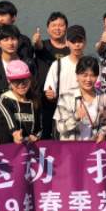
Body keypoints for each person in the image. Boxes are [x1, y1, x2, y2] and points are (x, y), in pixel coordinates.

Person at [54, 56, 106, 211]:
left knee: (89, 193)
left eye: (92, 75)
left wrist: (103, 132)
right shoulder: (67, 96)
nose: (88, 79)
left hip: (92, 155)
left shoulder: (103, 97)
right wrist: (75, 118)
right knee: (66, 194)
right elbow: (60, 127)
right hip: (69, 155)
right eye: (84, 74)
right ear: (77, 75)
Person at [0, 60, 41, 211]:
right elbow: (10, 122)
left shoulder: (34, 101)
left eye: (24, 80)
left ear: (30, 79)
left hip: (25, 161)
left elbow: (40, 128)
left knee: (23, 203)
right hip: (4, 162)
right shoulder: (4, 100)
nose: (20, 85)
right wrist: (16, 134)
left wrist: (33, 137)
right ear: (9, 82)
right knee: (5, 204)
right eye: (16, 81)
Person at [0, 24, 38, 133]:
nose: (10, 43)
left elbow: (36, 88)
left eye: (13, 39)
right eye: (5, 39)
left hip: (26, 113)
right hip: (2, 116)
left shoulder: (28, 63)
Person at [43, 25, 90, 126]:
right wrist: (50, 94)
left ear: (85, 42)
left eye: (80, 41)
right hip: (64, 118)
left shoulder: (92, 65)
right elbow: (50, 90)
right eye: (73, 41)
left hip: (87, 117)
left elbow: (98, 91)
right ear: (67, 43)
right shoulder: (58, 65)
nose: (77, 45)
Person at [33, 12, 69, 140]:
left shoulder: (71, 48)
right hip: (44, 101)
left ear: (66, 28)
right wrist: (36, 42)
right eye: (54, 25)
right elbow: (39, 47)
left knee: (64, 136)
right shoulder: (45, 45)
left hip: (66, 101)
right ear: (48, 29)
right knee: (44, 136)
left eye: (61, 25)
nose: (57, 28)